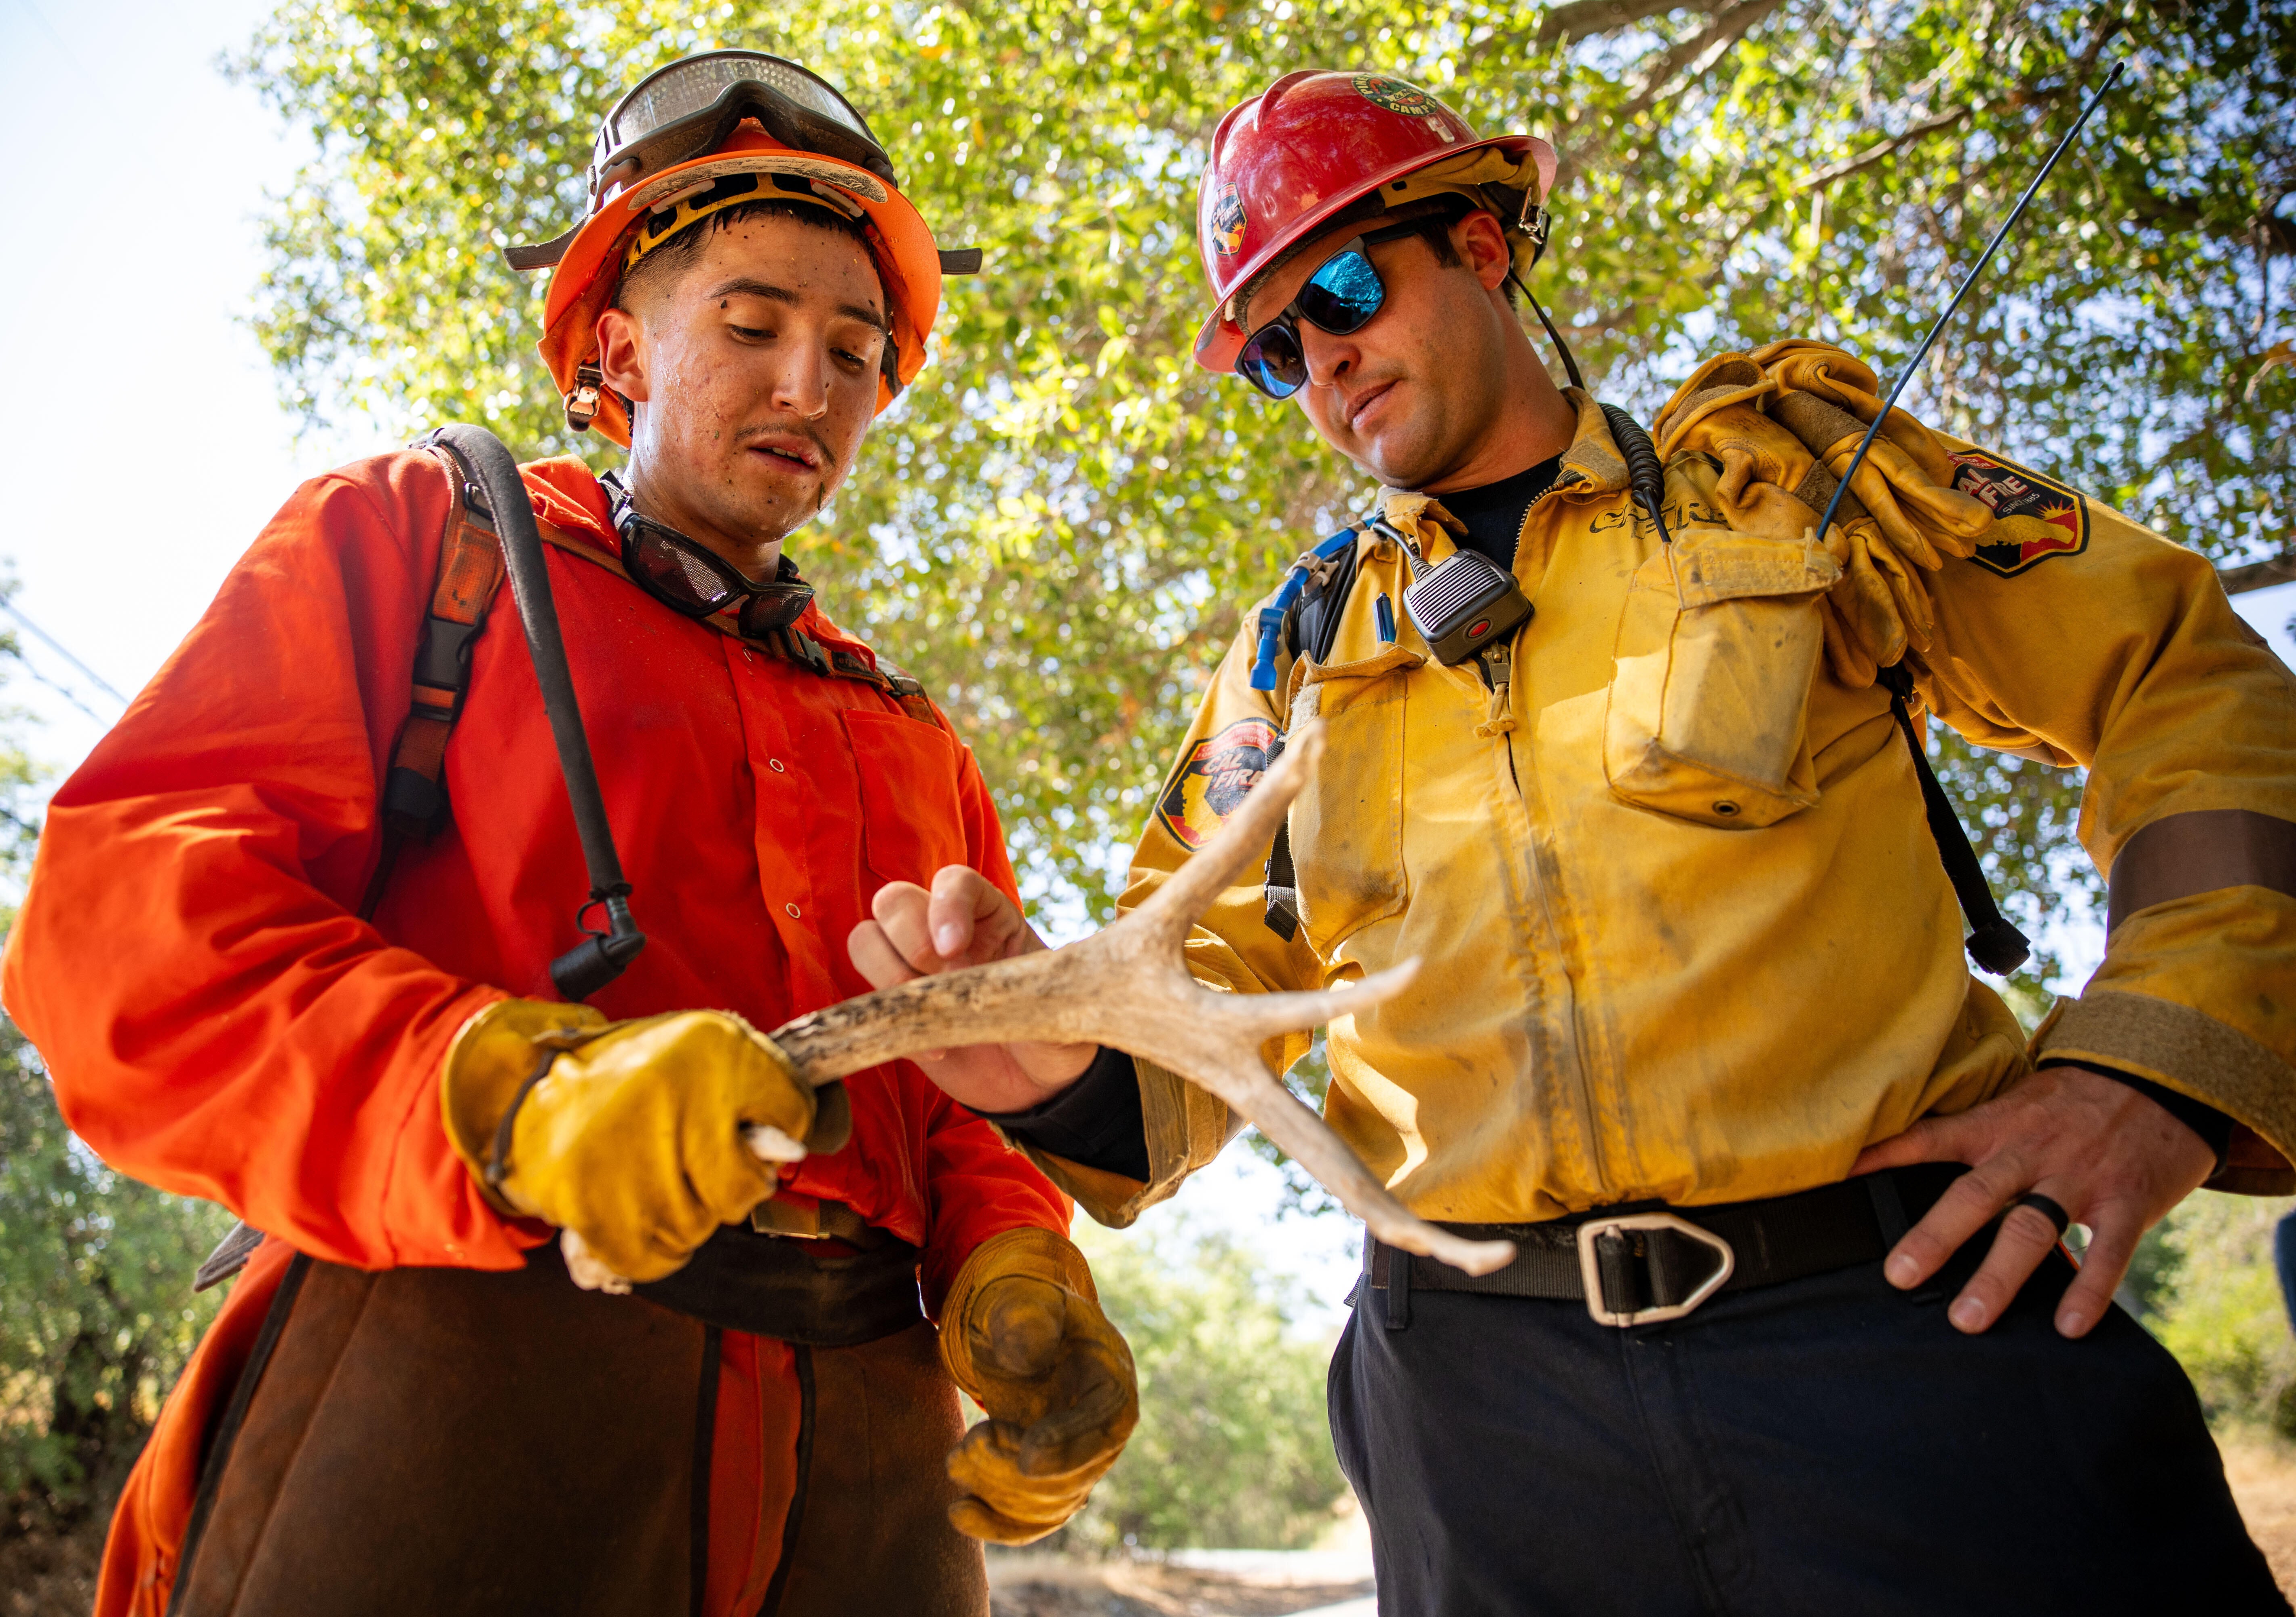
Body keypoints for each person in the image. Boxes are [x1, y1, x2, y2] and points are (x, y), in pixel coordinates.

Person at [867, 69, 2296, 1614]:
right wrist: (1055, 1055)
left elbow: (2189, 688)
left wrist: (2156, 1062)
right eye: (1279, 347)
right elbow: (1200, 975)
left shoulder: (1796, 484)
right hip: (1484, 1425)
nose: (1325, 358)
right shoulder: (1295, 653)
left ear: (1485, 245)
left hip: (1908, 1338)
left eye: (1346, 288)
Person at [0, 51, 1134, 1617]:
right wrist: (508, 1091)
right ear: (619, 347)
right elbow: (126, 928)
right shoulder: (418, 539)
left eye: (855, 351)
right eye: (752, 326)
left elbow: (952, 1094)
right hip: (460, 1381)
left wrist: (1023, 1263)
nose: (809, 385)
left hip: (869, 1464)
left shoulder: (912, 738)